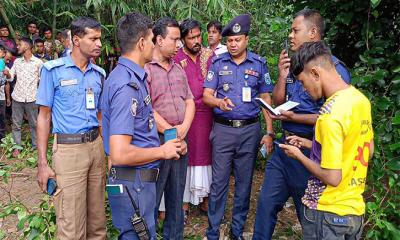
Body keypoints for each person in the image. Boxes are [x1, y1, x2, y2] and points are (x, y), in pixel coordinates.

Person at [252, 9, 351, 239]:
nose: (290, 35)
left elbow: (333, 118)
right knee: (266, 204)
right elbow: (278, 101)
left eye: (296, 30)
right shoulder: (294, 64)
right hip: (284, 146)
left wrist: (295, 118)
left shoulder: (333, 71)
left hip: (310, 149)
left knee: (308, 214)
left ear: (313, 33)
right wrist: (281, 73)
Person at [101, 12, 184, 240]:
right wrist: (162, 151)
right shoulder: (126, 86)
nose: (153, 44)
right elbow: (119, 153)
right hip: (133, 183)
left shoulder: (127, 77)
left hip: (135, 181)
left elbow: (104, 122)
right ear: (141, 43)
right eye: (150, 39)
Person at [280, 41, 374, 240]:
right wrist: (308, 144)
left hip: (327, 211)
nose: (304, 90)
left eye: (303, 83)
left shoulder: (328, 115)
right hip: (354, 211)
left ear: (315, 73)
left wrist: (299, 156)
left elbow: (332, 177)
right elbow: (366, 148)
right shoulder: (360, 100)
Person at [203, 14, 274, 240]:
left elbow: (266, 99)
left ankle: (236, 231)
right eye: (230, 41)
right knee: (219, 183)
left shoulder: (259, 64)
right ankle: (213, 231)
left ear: (247, 40)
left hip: (249, 131)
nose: (233, 45)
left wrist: (269, 132)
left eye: (237, 40)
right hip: (223, 130)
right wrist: (219, 103)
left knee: (244, 184)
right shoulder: (217, 63)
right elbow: (206, 96)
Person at [36, 17, 106, 239]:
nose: (99, 44)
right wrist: (42, 163)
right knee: (71, 226)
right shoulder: (53, 71)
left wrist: (106, 152)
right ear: (76, 40)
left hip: (96, 148)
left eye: (100, 39)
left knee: (97, 223)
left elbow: (101, 116)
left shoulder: (99, 74)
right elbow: (43, 117)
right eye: (93, 38)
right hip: (68, 152)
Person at [144, 16, 195, 239]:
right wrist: (174, 134)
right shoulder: (145, 70)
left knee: (176, 196)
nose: (178, 45)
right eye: (174, 40)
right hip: (157, 143)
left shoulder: (178, 70)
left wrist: (184, 128)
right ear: (159, 40)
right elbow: (148, 110)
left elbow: (190, 101)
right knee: (152, 198)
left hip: (180, 142)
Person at [173, 18, 214, 216]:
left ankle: (205, 199)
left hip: (207, 114)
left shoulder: (209, 55)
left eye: (199, 36)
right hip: (185, 115)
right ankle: (184, 202)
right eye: (192, 38)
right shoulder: (176, 58)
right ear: (182, 39)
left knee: (206, 153)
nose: (197, 40)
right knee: (187, 155)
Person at [3, 37, 42, 156]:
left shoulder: (38, 63)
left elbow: (42, 81)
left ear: (27, 46)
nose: (17, 47)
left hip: (32, 98)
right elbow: (11, 77)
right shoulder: (17, 62)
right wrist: (8, 73)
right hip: (17, 98)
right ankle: (17, 146)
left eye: (19, 45)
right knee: (16, 124)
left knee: (34, 124)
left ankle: (36, 146)